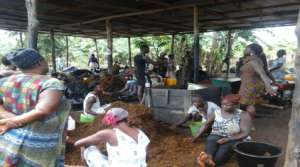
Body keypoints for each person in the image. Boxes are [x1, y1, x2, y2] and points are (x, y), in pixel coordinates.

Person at [0, 48, 70, 166]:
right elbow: (42, 111)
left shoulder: (5, 81)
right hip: (38, 148)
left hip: (8, 141)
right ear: (39, 62)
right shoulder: (50, 83)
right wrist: (12, 120)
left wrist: (9, 118)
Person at [74, 107, 150, 167]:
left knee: (86, 147)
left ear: (110, 121)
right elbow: (146, 158)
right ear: (126, 119)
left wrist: (94, 142)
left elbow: (77, 143)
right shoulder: (141, 133)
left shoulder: (108, 133)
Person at [197, 94, 252, 167]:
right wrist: (196, 137)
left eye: (228, 105)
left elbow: (245, 133)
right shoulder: (217, 112)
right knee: (211, 139)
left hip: (235, 138)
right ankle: (208, 158)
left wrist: (228, 139)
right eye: (223, 104)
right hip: (217, 135)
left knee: (221, 155)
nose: (224, 106)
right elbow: (206, 124)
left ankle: (209, 160)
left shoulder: (243, 115)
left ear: (236, 105)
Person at [239, 43, 275, 118]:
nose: (245, 49)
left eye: (246, 48)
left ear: (251, 50)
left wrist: (268, 86)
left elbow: (262, 74)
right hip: (250, 84)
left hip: (249, 86)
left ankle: (246, 122)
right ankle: (249, 123)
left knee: (244, 106)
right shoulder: (255, 60)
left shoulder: (254, 61)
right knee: (249, 104)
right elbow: (265, 72)